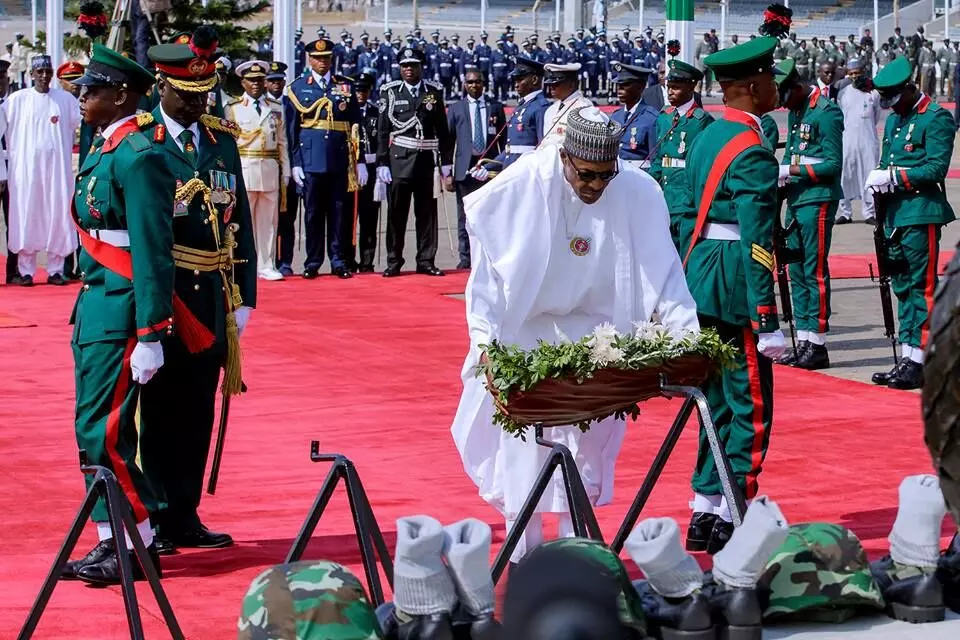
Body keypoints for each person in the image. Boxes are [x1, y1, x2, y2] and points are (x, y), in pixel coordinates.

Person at [451, 107, 699, 564]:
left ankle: (577, 554)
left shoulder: (636, 191)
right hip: (526, 333)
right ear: (564, 157)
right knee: (522, 454)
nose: (595, 186)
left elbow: (663, 272)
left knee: (583, 452)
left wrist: (686, 339)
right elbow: (486, 280)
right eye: (586, 175)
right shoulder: (520, 186)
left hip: (599, 335)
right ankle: (524, 558)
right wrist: (485, 346)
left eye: (606, 176)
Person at [138, 26, 257, 554]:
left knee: (197, 411)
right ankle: (158, 514)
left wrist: (247, 295)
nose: (193, 106)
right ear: (162, 86)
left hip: (211, 296)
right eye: (185, 96)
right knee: (159, 410)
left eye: (202, 96)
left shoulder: (220, 140)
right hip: (165, 298)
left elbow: (243, 221)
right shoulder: (143, 139)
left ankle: (185, 512)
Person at [58, 44, 172, 585]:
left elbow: (153, 247)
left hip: (124, 306)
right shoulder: (106, 149)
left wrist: (151, 330)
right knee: (96, 427)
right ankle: (126, 536)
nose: (83, 97)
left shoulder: (138, 157)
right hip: (96, 301)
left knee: (99, 429)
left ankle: (126, 540)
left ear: (121, 95)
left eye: (92, 90)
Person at [683, 37, 785, 554]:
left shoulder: (704, 136)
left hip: (701, 274)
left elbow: (683, 210)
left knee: (715, 401)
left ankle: (705, 507)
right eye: (769, 78)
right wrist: (766, 315)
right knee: (750, 404)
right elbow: (758, 240)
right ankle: (735, 510)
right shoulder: (754, 152)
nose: (776, 85)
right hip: (734, 284)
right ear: (750, 86)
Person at [867, 56, 955, 391]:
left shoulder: (935, 118)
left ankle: (921, 358)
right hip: (893, 214)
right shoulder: (895, 119)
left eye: (894, 98)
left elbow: (935, 169)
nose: (891, 107)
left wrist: (894, 177)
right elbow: (885, 160)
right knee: (902, 285)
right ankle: (908, 355)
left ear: (909, 87)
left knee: (922, 286)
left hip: (921, 211)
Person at [774, 58, 843, 371]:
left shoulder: (826, 112)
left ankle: (817, 342)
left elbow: (832, 164)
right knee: (797, 271)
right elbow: (792, 152)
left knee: (813, 270)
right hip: (797, 198)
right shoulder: (797, 110)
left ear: (798, 86)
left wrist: (791, 169)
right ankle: (803, 338)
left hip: (817, 199)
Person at [285, 37, 366, 280]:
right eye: (318, 58)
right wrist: (296, 162)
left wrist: (359, 159)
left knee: (339, 212)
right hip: (311, 159)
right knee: (313, 213)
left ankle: (339, 260)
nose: (323, 62)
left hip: (339, 158)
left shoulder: (345, 86)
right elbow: (292, 130)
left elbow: (355, 124)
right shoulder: (298, 88)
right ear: (309, 59)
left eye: (327, 58)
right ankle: (313, 261)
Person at [3, 54, 81, 286]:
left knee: (58, 214)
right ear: (31, 74)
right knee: (27, 214)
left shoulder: (65, 100)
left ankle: (56, 269)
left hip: (57, 172)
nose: (44, 76)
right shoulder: (16, 100)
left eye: (48, 71)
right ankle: (26, 270)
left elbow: (83, 122)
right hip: (25, 172)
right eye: (40, 72)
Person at [376, 47, 453, 278]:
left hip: (426, 162)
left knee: (427, 214)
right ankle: (394, 260)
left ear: (421, 66)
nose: (408, 69)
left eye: (413, 65)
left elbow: (442, 128)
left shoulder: (434, 91)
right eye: (405, 65)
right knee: (397, 215)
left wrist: (446, 161)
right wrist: (382, 163)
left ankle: (426, 259)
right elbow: (382, 130)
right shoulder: (390, 93)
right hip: (399, 160)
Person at [224, 60, 289, 282]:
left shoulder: (275, 107)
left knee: (269, 221)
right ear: (242, 82)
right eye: (251, 80)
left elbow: (282, 142)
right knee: (244, 220)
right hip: (245, 167)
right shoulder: (233, 108)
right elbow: (229, 144)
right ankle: (244, 263)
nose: (256, 84)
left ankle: (267, 264)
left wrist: (286, 171)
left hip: (269, 168)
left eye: (260, 80)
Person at [648, 59, 713, 252]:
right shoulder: (665, 117)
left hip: (687, 200)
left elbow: (703, 164)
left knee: (686, 253)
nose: (670, 92)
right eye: (669, 87)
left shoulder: (701, 121)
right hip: (665, 198)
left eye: (676, 88)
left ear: (691, 86)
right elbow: (659, 158)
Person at [446, 69, 506, 270]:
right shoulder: (456, 109)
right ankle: (466, 258)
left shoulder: (495, 108)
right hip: (464, 168)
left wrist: (502, 168)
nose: (474, 85)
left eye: (478, 82)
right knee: (464, 215)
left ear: (483, 84)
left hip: (488, 167)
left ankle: (489, 255)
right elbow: (448, 142)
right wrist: (447, 173)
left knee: (490, 213)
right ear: (465, 85)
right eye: (470, 82)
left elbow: (504, 141)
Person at [264, 61, 299, 277]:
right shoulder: (263, 105)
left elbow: (296, 138)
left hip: (289, 168)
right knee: (266, 218)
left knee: (287, 219)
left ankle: (285, 260)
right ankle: (267, 261)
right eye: (272, 80)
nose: (276, 84)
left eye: (279, 80)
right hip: (266, 167)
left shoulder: (292, 104)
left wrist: (296, 168)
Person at [836, 59, 879, 224]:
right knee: (845, 175)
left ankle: (869, 213)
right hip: (847, 141)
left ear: (863, 73)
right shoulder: (843, 93)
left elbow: (876, 116)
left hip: (868, 140)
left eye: (857, 73)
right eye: (851, 74)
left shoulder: (872, 94)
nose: (854, 77)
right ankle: (845, 212)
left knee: (869, 175)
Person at [492, 58, 549, 169]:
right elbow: (511, 149)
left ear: (534, 80)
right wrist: (486, 167)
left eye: (520, 80)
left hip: (527, 171)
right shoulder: (523, 105)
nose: (516, 85)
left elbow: (543, 147)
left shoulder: (540, 107)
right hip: (513, 169)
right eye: (515, 81)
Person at [351, 69, 381, 273]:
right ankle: (347, 259)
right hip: (351, 171)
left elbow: (381, 141)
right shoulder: (346, 110)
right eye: (358, 90)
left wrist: (380, 168)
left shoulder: (376, 113)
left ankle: (367, 261)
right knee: (349, 219)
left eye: (365, 90)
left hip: (371, 170)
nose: (361, 94)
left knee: (370, 219)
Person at [608, 62, 659, 172]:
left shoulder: (651, 118)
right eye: (619, 86)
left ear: (640, 87)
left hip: (639, 175)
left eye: (625, 85)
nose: (619, 90)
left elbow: (655, 158)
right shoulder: (615, 116)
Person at [541, 63, 593, 147]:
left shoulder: (583, 107)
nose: (551, 87)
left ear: (571, 84)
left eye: (556, 84)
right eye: (550, 84)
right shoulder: (552, 108)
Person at [0, 58, 15, 285]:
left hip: (15, 168)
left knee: (14, 219)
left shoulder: (15, 103)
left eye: (2, 78)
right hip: (0, 170)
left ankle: (14, 270)